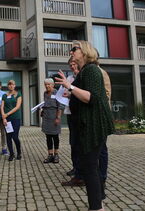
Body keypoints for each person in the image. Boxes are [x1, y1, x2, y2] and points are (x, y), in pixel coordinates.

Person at [56, 40, 114, 211]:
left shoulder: (92, 70)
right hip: (87, 124)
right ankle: (98, 202)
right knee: (90, 167)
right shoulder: (84, 72)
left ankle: (96, 207)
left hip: (94, 125)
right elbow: (83, 96)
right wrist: (71, 92)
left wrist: (70, 87)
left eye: (74, 49)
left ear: (85, 51)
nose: (71, 52)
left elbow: (92, 97)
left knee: (90, 167)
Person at [60, 58, 85, 186]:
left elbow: (82, 94)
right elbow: (65, 91)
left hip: (79, 113)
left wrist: (70, 93)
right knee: (73, 142)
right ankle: (75, 168)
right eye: (70, 65)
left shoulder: (83, 76)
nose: (72, 66)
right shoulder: (69, 78)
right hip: (70, 112)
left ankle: (81, 171)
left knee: (79, 143)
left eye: (74, 64)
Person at [41, 78, 64, 164]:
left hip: (54, 117)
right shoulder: (45, 93)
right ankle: (50, 155)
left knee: (55, 136)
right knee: (48, 137)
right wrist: (42, 111)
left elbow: (60, 106)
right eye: (45, 84)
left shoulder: (57, 93)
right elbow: (45, 104)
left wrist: (58, 117)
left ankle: (56, 154)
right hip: (46, 117)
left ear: (53, 85)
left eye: (48, 84)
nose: (47, 86)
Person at [1, 80, 22, 161]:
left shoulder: (18, 94)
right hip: (7, 119)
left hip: (16, 118)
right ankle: (11, 154)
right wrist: (4, 117)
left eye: (12, 84)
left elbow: (17, 107)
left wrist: (7, 114)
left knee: (15, 137)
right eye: (9, 84)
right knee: (8, 137)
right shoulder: (4, 95)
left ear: (14, 85)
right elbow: (2, 107)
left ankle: (19, 152)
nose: (11, 86)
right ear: (8, 86)